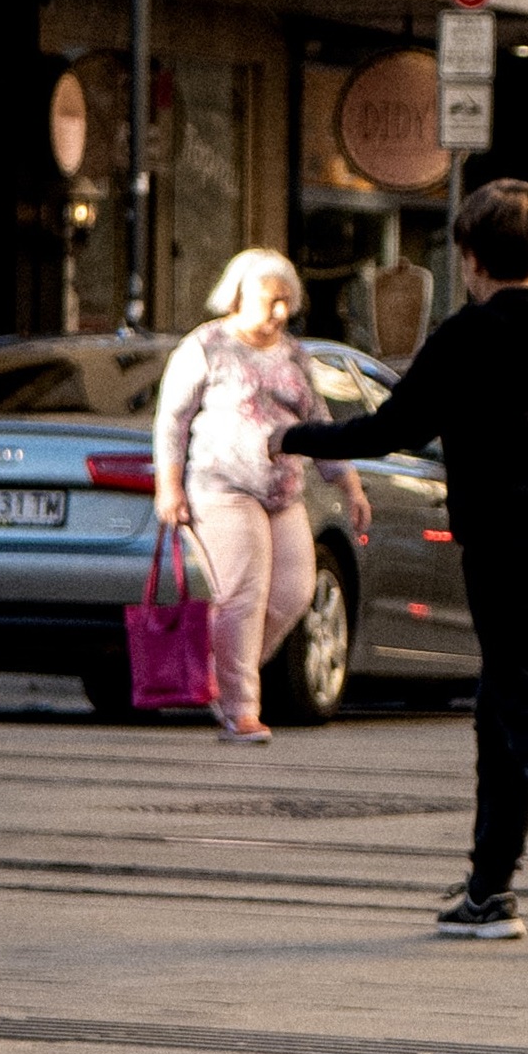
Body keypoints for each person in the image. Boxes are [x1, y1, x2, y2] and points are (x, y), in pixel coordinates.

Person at [281, 181, 528, 955]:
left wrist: (294, 440)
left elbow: (392, 428)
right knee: (503, 712)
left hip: (513, 538)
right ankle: (487, 892)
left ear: (468, 259)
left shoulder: (470, 334)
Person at [153, 249, 348, 746]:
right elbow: (172, 419)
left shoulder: (295, 355)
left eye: (288, 301)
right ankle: (241, 709)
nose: (282, 312)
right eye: (272, 300)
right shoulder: (207, 345)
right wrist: (168, 486)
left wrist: (347, 484)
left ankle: (217, 672)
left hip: (283, 490)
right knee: (242, 595)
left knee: (294, 592)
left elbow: (319, 422)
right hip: (223, 486)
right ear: (239, 294)